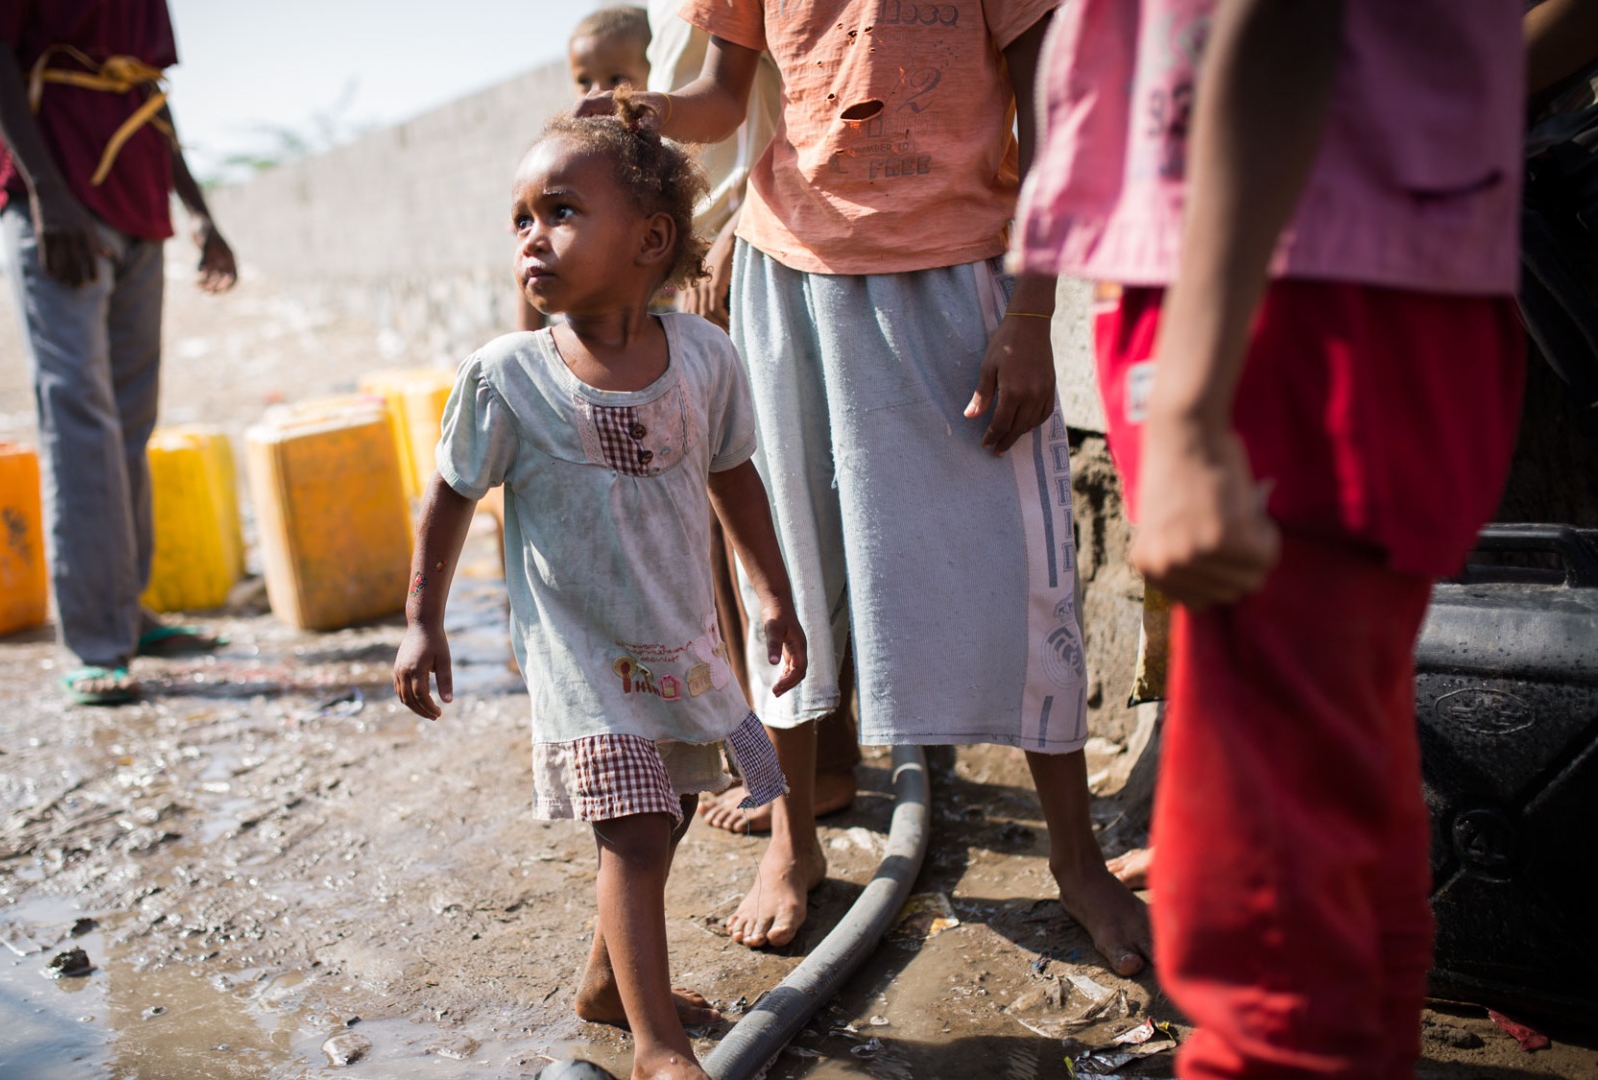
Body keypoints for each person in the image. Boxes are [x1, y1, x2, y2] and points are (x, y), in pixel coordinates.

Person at [578, 1, 1153, 970]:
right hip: (785, 270)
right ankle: (795, 844)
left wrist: (1032, 310)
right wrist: (650, 112)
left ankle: (1076, 858)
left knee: (1021, 571)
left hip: (954, 270)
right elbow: (725, 98)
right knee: (792, 567)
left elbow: (1051, 111)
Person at [1012, 0, 1527, 1074]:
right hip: (1369, 260)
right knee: (1345, 822)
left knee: (1259, 907)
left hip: (1278, 283)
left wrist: (1197, 396)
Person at [394, 95, 805, 1080]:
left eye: (561, 212)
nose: (532, 238)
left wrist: (775, 594)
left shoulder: (704, 357)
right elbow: (450, 494)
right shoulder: (509, 378)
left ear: (651, 238)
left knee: (661, 816)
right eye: (520, 220)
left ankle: (605, 985)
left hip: (673, 632)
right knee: (630, 828)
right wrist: (421, 623)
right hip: (580, 652)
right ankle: (659, 1048)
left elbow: (734, 476)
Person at [0, 0, 237, 705]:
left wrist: (198, 211)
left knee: (131, 418)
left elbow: (147, 95)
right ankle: (96, 640)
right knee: (79, 416)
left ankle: (127, 613)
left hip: (140, 207)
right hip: (61, 209)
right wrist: (47, 192)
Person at [642, 0, 860, 839]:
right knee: (719, 547)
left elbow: (801, 104)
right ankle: (767, 762)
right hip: (691, 273)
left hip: (747, 262)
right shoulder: (674, 13)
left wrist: (741, 225)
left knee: (768, 532)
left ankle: (820, 767)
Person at [516, 6, 656, 335]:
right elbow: (528, 259)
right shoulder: (565, 165)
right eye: (583, 80)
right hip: (583, 341)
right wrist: (524, 348)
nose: (597, 92)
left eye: (617, 79)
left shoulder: (666, 163)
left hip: (657, 339)